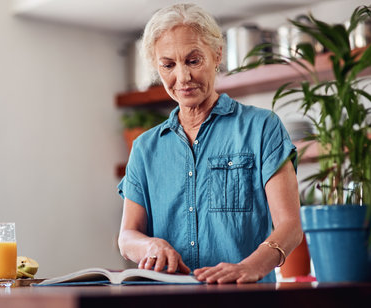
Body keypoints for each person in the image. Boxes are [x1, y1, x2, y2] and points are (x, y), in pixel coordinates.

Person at [117, 3, 303, 283]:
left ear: (217, 55)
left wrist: (250, 267)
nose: (183, 77)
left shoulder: (262, 127)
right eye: (168, 65)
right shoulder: (145, 148)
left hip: (245, 300)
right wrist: (150, 245)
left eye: (193, 61)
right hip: (167, 300)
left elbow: (290, 227)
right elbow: (127, 237)